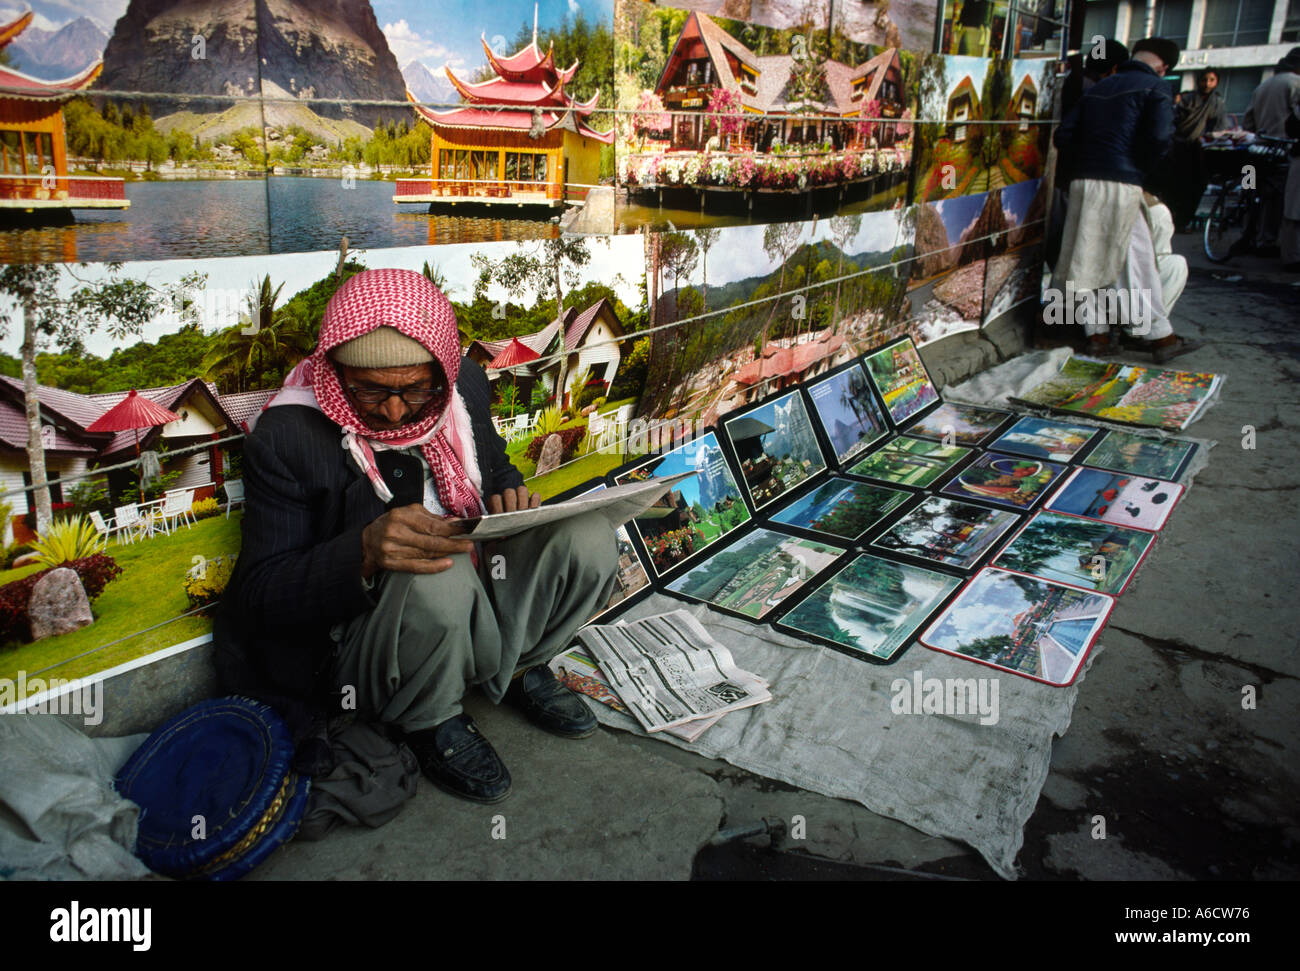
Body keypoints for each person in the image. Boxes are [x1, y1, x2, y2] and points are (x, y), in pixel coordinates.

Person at [214, 268, 619, 805]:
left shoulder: (464, 385)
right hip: (373, 634)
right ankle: (431, 718)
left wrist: (511, 495)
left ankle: (521, 664)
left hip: (479, 588)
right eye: (370, 391)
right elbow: (259, 594)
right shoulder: (288, 437)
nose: (395, 410)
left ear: (443, 369)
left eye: (415, 388)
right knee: (438, 571)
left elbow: (494, 468)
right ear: (335, 374)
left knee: (587, 538)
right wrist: (360, 553)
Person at [1052, 37, 1199, 362]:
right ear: (1163, 66)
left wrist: (1089, 164)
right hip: (1121, 182)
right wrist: (1137, 168)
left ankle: (1098, 337)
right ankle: (1161, 338)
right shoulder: (1155, 86)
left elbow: (1063, 136)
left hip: (1083, 182)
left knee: (1083, 258)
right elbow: (1160, 139)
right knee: (1136, 259)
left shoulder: (1100, 87)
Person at [1243, 48, 1300, 264]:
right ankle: (1266, 241)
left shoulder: (1262, 86)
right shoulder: (1295, 83)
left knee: (1251, 190)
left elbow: (1248, 122)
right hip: (1281, 150)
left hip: (1256, 150)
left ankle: (1249, 235)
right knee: (1277, 199)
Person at [1159, 69, 1226, 231]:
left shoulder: (1218, 104)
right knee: (1174, 186)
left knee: (1196, 187)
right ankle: (1170, 221)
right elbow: (1174, 122)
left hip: (1202, 152)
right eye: (1204, 79)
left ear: (1216, 82)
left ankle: (1183, 221)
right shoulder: (1186, 100)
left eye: (1211, 80)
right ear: (1198, 81)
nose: (1207, 83)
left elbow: (1218, 128)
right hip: (1179, 149)